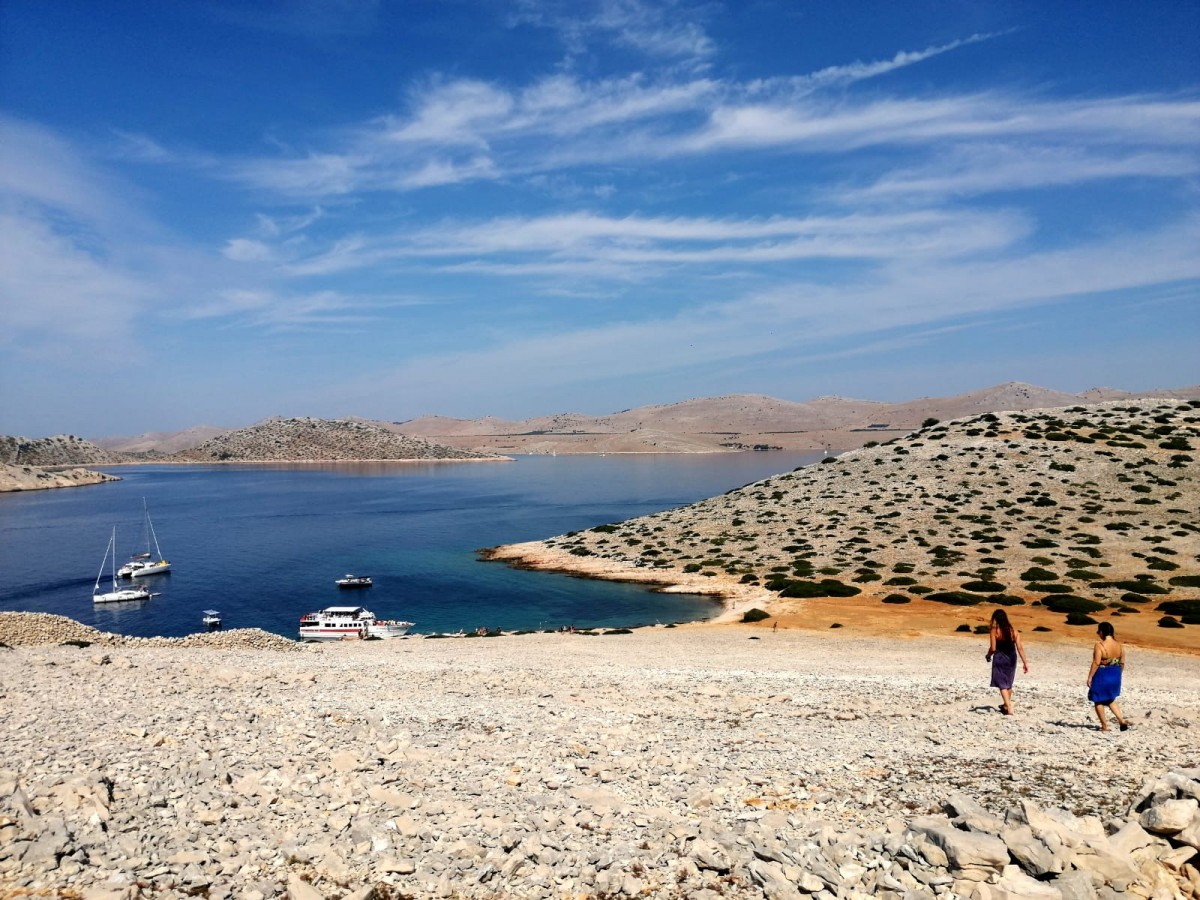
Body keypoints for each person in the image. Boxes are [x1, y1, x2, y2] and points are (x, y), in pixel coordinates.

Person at [1087, 622, 1132, 732]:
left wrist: (1090, 677)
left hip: (1102, 674)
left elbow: (1096, 662)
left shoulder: (1100, 645)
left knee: (1098, 700)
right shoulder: (1119, 645)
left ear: (1101, 632)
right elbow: (1122, 663)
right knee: (1110, 699)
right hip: (1115, 673)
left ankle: (1105, 726)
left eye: (1098, 632)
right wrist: (1118, 674)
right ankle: (1121, 720)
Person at [985, 609, 1029, 715]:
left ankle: (1009, 707)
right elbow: (1020, 648)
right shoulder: (1013, 631)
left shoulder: (995, 631)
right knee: (1008, 683)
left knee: (1001, 683)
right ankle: (1006, 705)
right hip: (1012, 658)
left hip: (1000, 658)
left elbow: (993, 648)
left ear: (995, 619)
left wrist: (988, 655)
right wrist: (1025, 663)